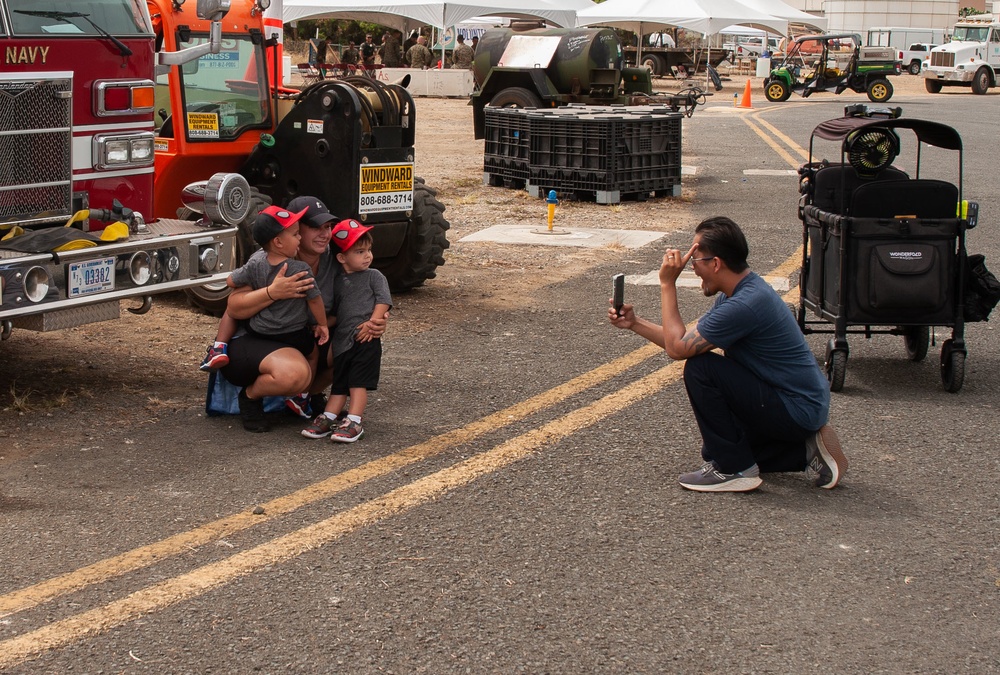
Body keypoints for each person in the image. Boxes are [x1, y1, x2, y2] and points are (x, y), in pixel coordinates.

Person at [607, 216, 848, 492]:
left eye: (695, 261)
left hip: (795, 408)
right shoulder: (738, 294)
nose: (692, 269)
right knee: (716, 449)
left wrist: (667, 284)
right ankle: (804, 452)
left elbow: (678, 349)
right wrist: (635, 323)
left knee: (701, 369)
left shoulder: (744, 305)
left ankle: (736, 470)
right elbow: (684, 339)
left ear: (716, 263)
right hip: (799, 405)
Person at [221, 205, 329, 432]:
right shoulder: (290, 266)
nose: (324, 234)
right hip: (258, 341)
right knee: (307, 361)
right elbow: (233, 306)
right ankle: (254, 397)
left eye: (328, 227)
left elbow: (230, 280)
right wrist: (273, 292)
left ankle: (309, 396)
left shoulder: (335, 263)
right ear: (278, 242)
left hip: (267, 329)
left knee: (345, 348)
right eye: (311, 229)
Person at [301, 219, 391, 443]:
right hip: (342, 341)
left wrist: (373, 322)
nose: (367, 256)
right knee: (340, 382)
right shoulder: (338, 281)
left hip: (365, 338)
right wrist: (321, 324)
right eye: (360, 251)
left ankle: (354, 420)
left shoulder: (374, 276)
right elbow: (338, 314)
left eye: (368, 250)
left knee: (357, 382)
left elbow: (383, 302)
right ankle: (330, 416)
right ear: (342, 258)